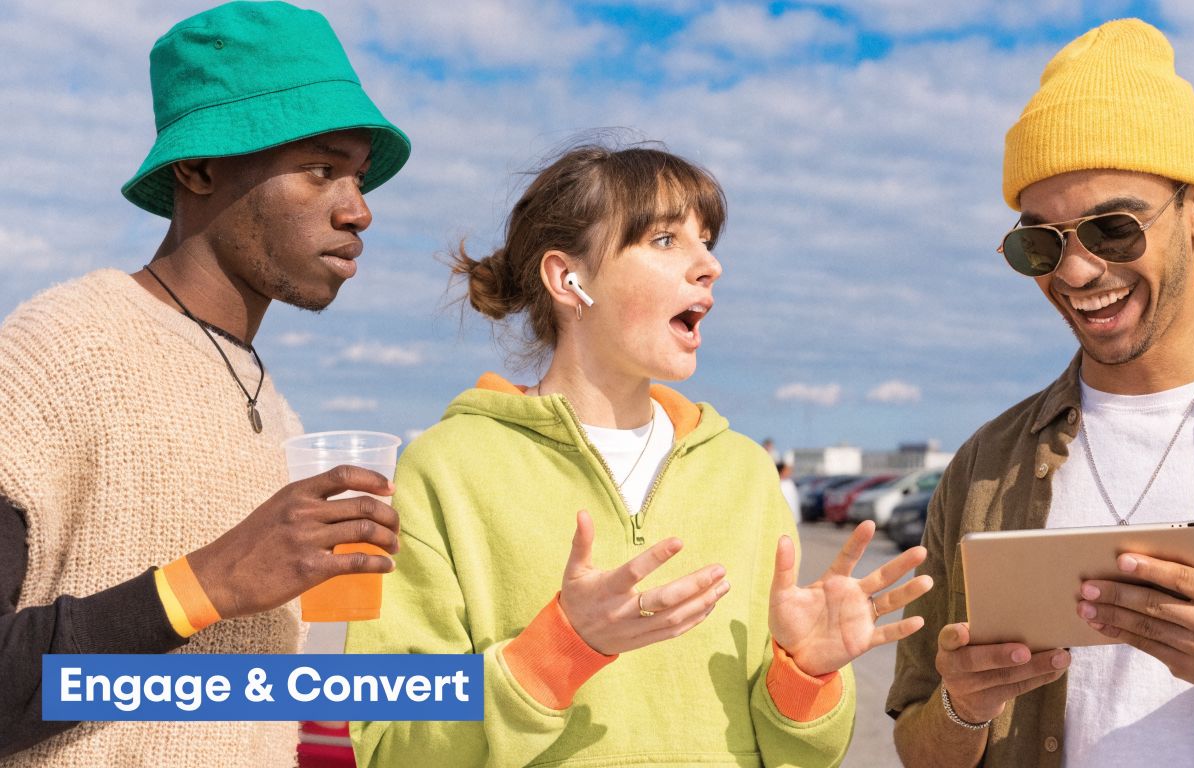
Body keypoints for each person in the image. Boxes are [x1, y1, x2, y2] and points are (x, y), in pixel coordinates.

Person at [345, 144, 933, 767]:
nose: (710, 266)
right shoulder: (445, 469)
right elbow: (389, 746)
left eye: (707, 241)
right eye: (664, 239)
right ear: (567, 279)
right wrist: (561, 650)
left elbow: (801, 756)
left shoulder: (743, 473)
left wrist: (804, 676)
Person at [889, 18, 1194, 767]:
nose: (1075, 273)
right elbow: (917, 743)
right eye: (1040, 243)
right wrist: (966, 708)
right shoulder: (983, 467)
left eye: (1114, 229)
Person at [0, 2, 410, 765]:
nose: (359, 210)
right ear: (198, 167)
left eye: (358, 177)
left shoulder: (280, 416)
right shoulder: (52, 357)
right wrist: (209, 583)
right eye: (324, 169)